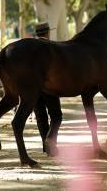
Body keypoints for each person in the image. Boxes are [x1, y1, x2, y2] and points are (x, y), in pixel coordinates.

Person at [33, 22, 62, 156]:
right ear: (48, 33)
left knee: (40, 117)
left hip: (34, 88)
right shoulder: (51, 47)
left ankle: (47, 149)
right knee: (56, 116)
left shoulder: (30, 48)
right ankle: (51, 140)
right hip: (50, 87)